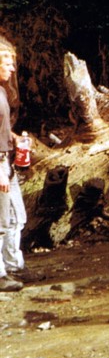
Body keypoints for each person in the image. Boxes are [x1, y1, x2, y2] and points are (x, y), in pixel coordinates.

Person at [0, 40, 32, 291]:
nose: (12, 68)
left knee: (17, 217)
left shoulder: (2, 92)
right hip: (0, 163)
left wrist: (16, 139)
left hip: (7, 161)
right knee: (2, 221)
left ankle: (14, 266)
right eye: (7, 63)